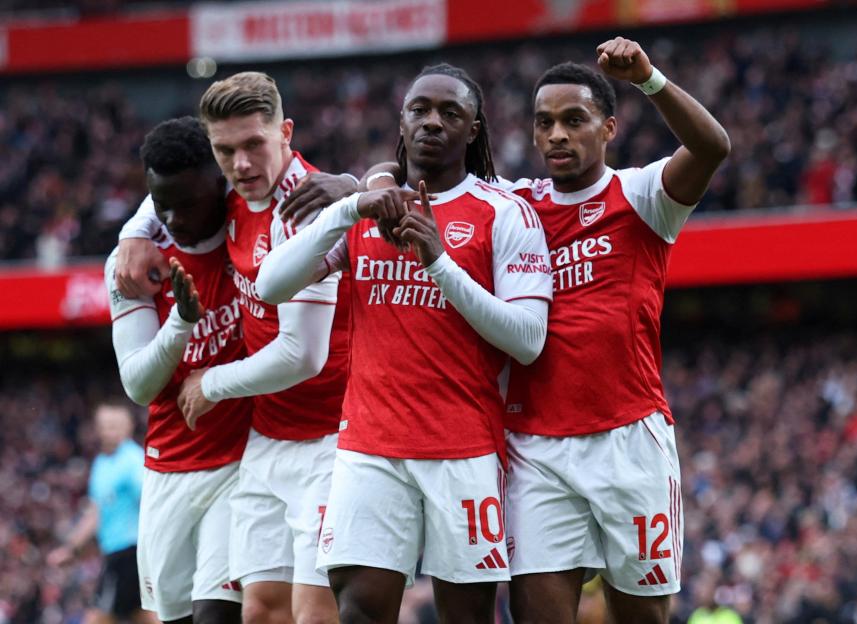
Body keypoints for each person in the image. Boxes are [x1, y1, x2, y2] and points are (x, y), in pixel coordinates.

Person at [255, 63, 553, 624]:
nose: (432, 122)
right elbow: (272, 286)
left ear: (474, 130)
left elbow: (528, 340)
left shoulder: (503, 213)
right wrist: (350, 207)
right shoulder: (366, 213)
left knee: (466, 617)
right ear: (402, 120)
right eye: (420, 110)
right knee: (360, 611)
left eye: (450, 114)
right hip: (369, 449)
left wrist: (439, 262)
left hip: (463, 451)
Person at [501, 38, 731, 624]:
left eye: (573, 120)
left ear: (607, 128)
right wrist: (374, 176)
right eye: (545, 122)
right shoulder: (513, 209)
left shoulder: (642, 194)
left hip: (629, 443)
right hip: (535, 448)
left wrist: (649, 78)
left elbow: (712, 146)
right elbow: (436, 189)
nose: (557, 134)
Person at [116, 72, 354, 624]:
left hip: (330, 439)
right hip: (266, 440)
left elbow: (302, 355)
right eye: (226, 151)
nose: (242, 164)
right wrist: (134, 229)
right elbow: (174, 192)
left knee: (316, 612)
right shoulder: (236, 193)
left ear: (286, 133)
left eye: (254, 145)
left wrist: (212, 383)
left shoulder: (305, 210)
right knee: (260, 613)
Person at [105, 116, 253, 624]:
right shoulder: (132, 262)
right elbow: (139, 384)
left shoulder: (250, 227)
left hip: (243, 462)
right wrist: (181, 324)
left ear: (220, 183)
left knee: (218, 615)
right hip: (170, 467)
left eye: (185, 204)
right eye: (160, 204)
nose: (172, 217)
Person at [47, 401, 158, 624]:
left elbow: (151, 503)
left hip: (129, 551)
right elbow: (95, 513)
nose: (109, 431)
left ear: (127, 427)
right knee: (143, 615)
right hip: (115, 552)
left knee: (97, 617)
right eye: (105, 425)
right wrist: (71, 547)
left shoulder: (133, 461)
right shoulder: (101, 463)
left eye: (115, 425)